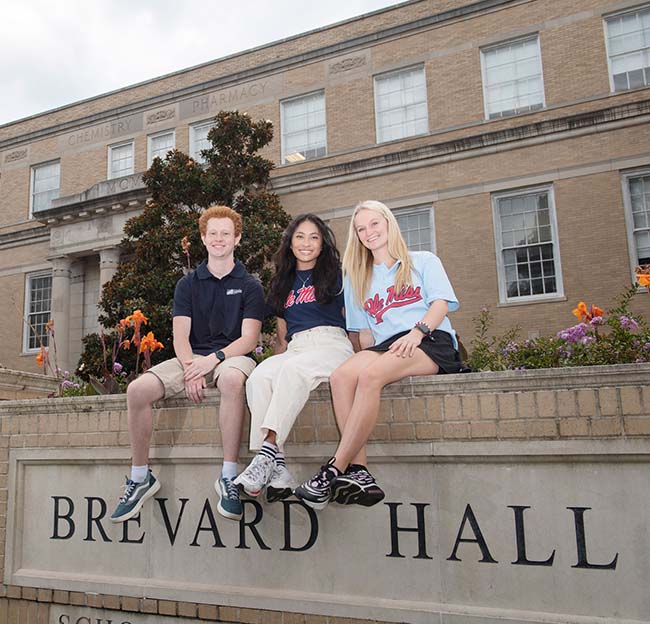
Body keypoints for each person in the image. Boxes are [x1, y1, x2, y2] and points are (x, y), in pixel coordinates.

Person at [294, 200, 462, 510]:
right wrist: (364, 359)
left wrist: (418, 331)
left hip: (430, 339)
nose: (369, 232)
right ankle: (360, 472)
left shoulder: (422, 261)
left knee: (371, 375)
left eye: (374, 224)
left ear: (388, 224)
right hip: (388, 345)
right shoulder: (358, 277)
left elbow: (440, 304)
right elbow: (365, 336)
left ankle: (334, 469)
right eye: (361, 229)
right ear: (356, 237)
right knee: (342, 376)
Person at [110, 205, 264, 523]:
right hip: (191, 357)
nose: (218, 239)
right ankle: (140, 477)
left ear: (237, 238)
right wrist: (191, 366)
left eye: (225, 233)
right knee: (137, 390)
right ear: (203, 239)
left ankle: (228, 477)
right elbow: (180, 336)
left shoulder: (250, 285)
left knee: (233, 382)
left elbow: (249, 340)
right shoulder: (188, 284)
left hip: (231, 358)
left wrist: (210, 361)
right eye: (213, 234)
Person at [235, 214, 353, 501]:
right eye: (300, 236)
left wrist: (364, 359)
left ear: (323, 244)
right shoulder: (283, 281)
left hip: (331, 344)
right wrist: (276, 361)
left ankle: (266, 453)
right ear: (290, 243)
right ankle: (279, 470)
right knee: (259, 377)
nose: (306, 243)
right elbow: (283, 337)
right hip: (298, 347)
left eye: (314, 237)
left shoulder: (337, 276)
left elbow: (353, 321)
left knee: (293, 372)